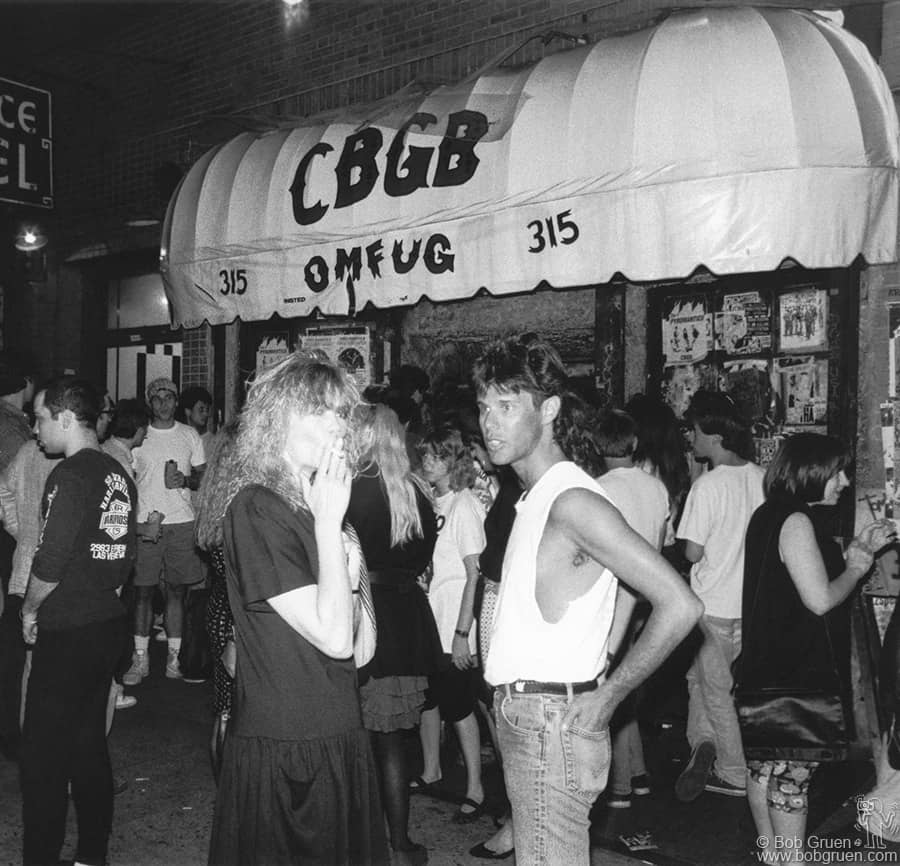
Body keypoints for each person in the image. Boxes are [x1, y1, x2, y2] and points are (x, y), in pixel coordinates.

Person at [473, 336, 701, 866]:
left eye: (507, 406)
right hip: (531, 717)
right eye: (485, 407)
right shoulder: (537, 495)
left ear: (548, 409)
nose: (490, 422)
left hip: (551, 721)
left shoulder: (573, 500)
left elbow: (680, 604)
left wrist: (608, 695)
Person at [207, 353, 388, 866]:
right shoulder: (256, 508)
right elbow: (332, 638)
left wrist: (346, 560)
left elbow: (360, 647)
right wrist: (332, 529)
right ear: (278, 419)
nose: (338, 424)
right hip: (286, 741)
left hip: (336, 729)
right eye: (321, 410)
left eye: (340, 412)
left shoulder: (319, 508)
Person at [735, 433, 894, 861]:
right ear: (811, 471)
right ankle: (791, 860)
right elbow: (820, 598)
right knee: (790, 779)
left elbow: (792, 588)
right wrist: (859, 568)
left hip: (764, 669)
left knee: (764, 769)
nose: (842, 482)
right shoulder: (798, 521)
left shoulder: (770, 514)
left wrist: (856, 552)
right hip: (794, 676)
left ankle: (773, 856)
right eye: (837, 471)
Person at [19, 377, 137, 866]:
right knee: (89, 745)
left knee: (43, 757)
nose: (36, 429)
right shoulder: (118, 474)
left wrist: (29, 609)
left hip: (67, 630)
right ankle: (92, 854)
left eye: (41, 419)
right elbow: (123, 559)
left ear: (66, 418)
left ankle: (41, 857)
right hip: (107, 625)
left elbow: (51, 560)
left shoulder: (69, 476)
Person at [346, 403, 439, 866]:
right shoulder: (417, 493)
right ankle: (399, 843)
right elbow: (424, 559)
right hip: (405, 618)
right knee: (392, 742)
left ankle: (361, 841)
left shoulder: (351, 489)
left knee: (355, 737)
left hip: (361, 616)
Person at [675, 390, 765, 801]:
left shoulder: (708, 486)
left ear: (711, 433)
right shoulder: (762, 477)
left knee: (715, 691)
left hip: (711, 607)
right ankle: (703, 743)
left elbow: (691, 551)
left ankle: (733, 770)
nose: (690, 437)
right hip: (749, 608)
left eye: (693, 429)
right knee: (702, 681)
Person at [594, 408, 670, 809]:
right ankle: (638, 775)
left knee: (614, 688)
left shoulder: (596, 489)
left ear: (595, 445)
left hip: (615, 599)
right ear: (635, 443)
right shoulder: (656, 487)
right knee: (632, 685)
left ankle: (619, 786)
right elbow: (663, 538)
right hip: (653, 597)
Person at [413, 426, 487, 823]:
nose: (427, 461)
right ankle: (430, 770)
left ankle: (475, 786)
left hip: (453, 622)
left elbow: (475, 573)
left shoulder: (464, 505)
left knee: (459, 706)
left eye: (436, 455)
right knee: (428, 699)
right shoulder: (433, 502)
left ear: (453, 461)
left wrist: (462, 634)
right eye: (425, 454)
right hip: (430, 617)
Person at [124, 377, 206, 684]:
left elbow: (202, 478)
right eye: (156, 398)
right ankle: (140, 657)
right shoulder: (140, 436)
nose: (163, 403)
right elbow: (127, 478)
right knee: (143, 592)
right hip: (147, 524)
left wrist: (185, 481)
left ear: (176, 400)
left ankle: (174, 657)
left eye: (169, 397)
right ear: (149, 402)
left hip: (181, 522)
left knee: (176, 592)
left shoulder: (189, 435)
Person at [194, 421, 240, 782]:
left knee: (225, 708)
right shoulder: (240, 503)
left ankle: (226, 787)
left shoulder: (215, 495)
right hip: (237, 614)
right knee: (235, 711)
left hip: (220, 605)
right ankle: (231, 791)